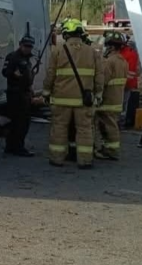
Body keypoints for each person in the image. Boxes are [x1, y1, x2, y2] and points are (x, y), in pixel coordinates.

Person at [43, 19, 105, 169]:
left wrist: (46, 92)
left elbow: (50, 74)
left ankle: (57, 159)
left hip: (61, 100)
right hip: (84, 101)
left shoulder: (57, 50)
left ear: (65, 34)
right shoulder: (92, 52)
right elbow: (99, 76)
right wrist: (98, 94)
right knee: (84, 130)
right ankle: (85, 160)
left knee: (59, 128)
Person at [95, 32, 129, 160]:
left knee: (108, 126)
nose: (105, 48)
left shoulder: (109, 62)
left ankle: (111, 151)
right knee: (111, 124)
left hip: (108, 99)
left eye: (107, 45)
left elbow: (102, 81)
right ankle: (109, 149)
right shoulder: (123, 61)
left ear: (112, 47)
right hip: (117, 99)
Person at [1, 35, 37, 157]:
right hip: (15, 94)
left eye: (30, 46)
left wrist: (30, 88)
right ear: (20, 45)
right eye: (26, 46)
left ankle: (12, 146)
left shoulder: (27, 58)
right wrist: (15, 75)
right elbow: (5, 72)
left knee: (22, 122)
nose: (28, 48)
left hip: (25, 93)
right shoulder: (13, 57)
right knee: (19, 122)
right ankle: (17, 147)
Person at [120, 38, 141, 129]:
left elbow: (130, 72)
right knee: (123, 105)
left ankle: (121, 123)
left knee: (122, 105)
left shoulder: (125, 54)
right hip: (126, 84)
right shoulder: (130, 53)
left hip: (123, 85)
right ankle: (121, 122)